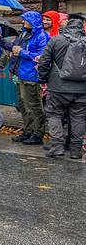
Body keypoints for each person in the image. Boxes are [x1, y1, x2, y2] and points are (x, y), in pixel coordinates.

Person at [0, 11, 49, 145]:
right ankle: (28, 131)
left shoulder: (42, 36)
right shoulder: (24, 33)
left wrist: (22, 52)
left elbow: (41, 56)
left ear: (32, 22)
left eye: (25, 20)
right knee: (23, 105)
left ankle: (38, 133)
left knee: (34, 105)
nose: (23, 22)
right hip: (21, 73)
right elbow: (12, 47)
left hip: (32, 75)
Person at [38, 15, 86, 159]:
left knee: (54, 114)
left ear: (66, 27)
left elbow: (44, 62)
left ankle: (57, 146)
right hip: (82, 89)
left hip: (57, 87)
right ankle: (76, 150)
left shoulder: (56, 40)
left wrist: (43, 79)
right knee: (79, 117)